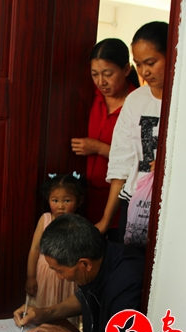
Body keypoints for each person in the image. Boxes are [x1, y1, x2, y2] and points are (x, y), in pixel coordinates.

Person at [14, 213, 145, 332]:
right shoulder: (100, 255)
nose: (59, 277)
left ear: (85, 264)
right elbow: (85, 296)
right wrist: (44, 313)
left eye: (60, 271)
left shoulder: (125, 284)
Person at [95, 22, 168, 244]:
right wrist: (106, 220)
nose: (144, 71)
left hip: (169, 204)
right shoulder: (136, 100)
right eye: (139, 64)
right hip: (135, 201)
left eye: (151, 63)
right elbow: (122, 161)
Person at [71, 38, 139, 240]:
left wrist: (99, 148)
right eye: (95, 74)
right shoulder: (90, 96)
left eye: (108, 74)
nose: (101, 82)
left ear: (126, 69)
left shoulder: (138, 104)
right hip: (85, 197)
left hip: (119, 198)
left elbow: (139, 159)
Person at [25, 173, 86, 308]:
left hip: (68, 278)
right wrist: (30, 277)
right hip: (45, 276)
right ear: (48, 200)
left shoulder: (79, 223)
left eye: (67, 201)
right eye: (55, 200)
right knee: (43, 308)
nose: (60, 206)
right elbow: (35, 249)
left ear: (79, 201)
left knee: (64, 309)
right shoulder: (45, 219)